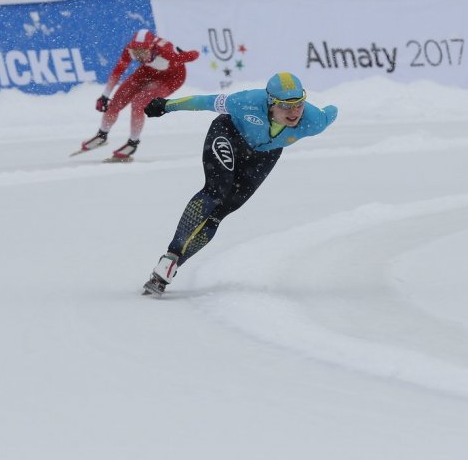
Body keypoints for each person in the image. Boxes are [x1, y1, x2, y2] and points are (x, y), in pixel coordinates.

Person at [138, 72, 338, 296]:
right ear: (271, 102)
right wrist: (167, 105)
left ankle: (169, 267)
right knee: (216, 190)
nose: (294, 113)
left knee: (222, 210)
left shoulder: (315, 121)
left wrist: (333, 108)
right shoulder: (246, 101)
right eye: (285, 106)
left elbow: (332, 112)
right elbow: (205, 102)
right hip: (228, 134)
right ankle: (172, 253)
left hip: (264, 156)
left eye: (299, 104)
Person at [75, 29, 199, 161]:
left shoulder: (167, 53)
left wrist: (184, 53)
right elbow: (118, 71)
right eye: (136, 52)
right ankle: (102, 135)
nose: (138, 56)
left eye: (142, 52)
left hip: (171, 78)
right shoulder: (130, 49)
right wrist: (105, 95)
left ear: (151, 48)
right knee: (116, 101)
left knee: (138, 103)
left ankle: (133, 143)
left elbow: (195, 55)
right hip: (147, 71)